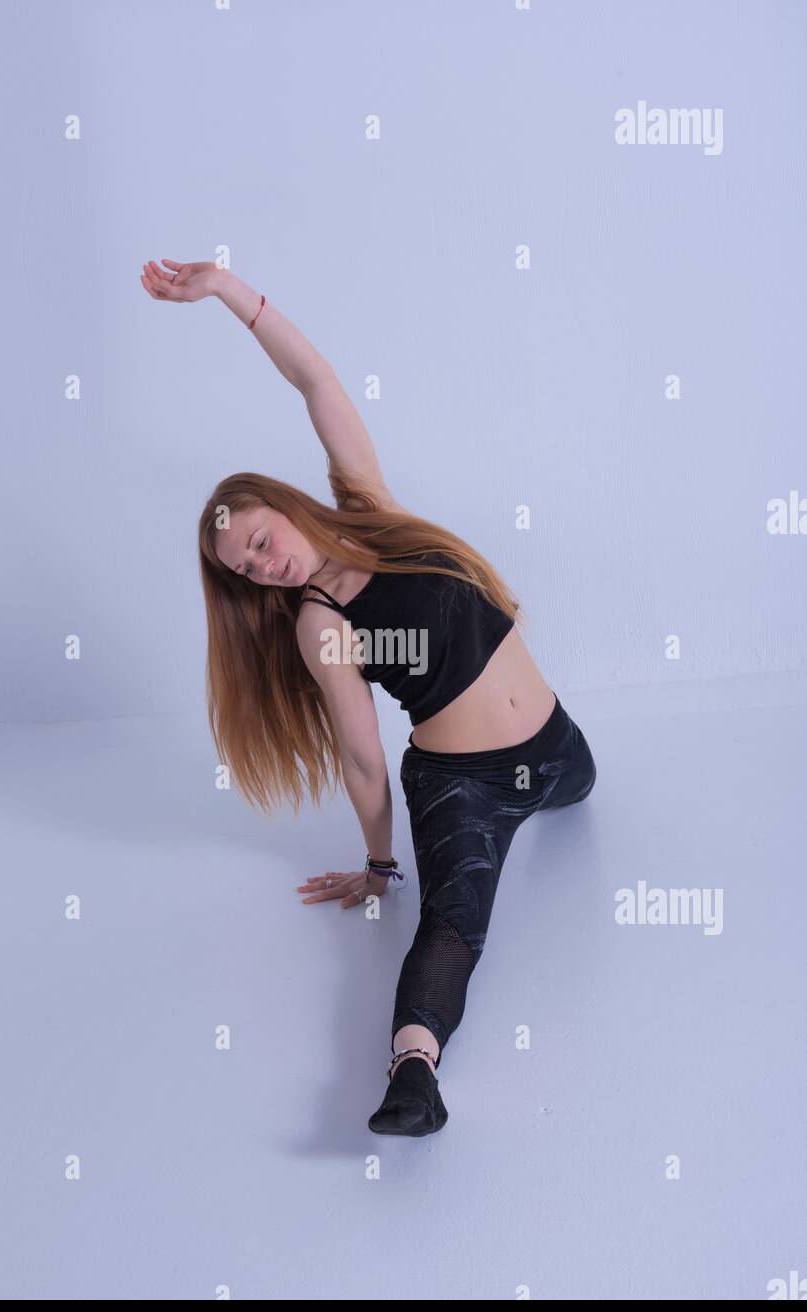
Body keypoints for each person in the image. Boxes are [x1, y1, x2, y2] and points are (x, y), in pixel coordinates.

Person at [140, 257, 598, 1137]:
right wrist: (381, 864)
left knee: (587, 786)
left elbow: (314, 379)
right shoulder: (319, 625)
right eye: (246, 568)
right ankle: (412, 1073)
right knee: (453, 922)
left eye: (261, 540)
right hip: (461, 784)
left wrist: (228, 291)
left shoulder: (367, 507)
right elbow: (360, 753)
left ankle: (533, 807)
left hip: (557, 749)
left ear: (281, 508)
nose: (263, 564)